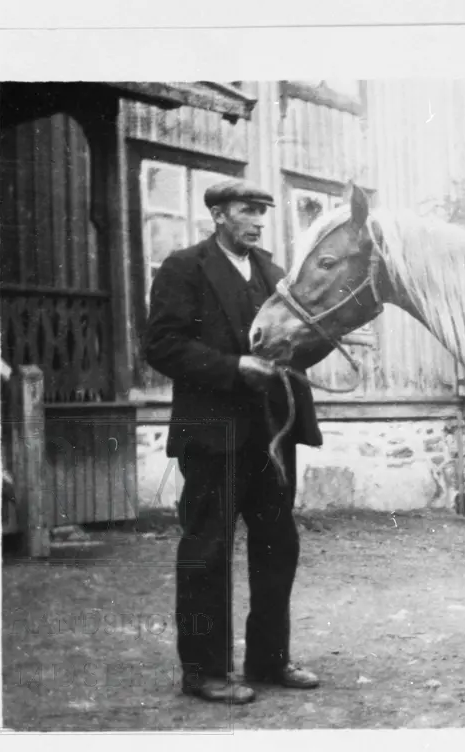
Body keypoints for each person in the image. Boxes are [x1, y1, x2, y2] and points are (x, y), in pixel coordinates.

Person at [144, 178, 324, 704]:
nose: (259, 221)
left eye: (263, 212)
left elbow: (294, 340)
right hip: (212, 433)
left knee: (278, 546)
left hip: (271, 434)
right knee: (208, 549)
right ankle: (204, 671)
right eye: (249, 210)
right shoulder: (184, 267)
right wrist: (232, 367)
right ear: (220, 215)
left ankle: (268, 661)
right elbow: (161, 345)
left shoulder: (273, 272)